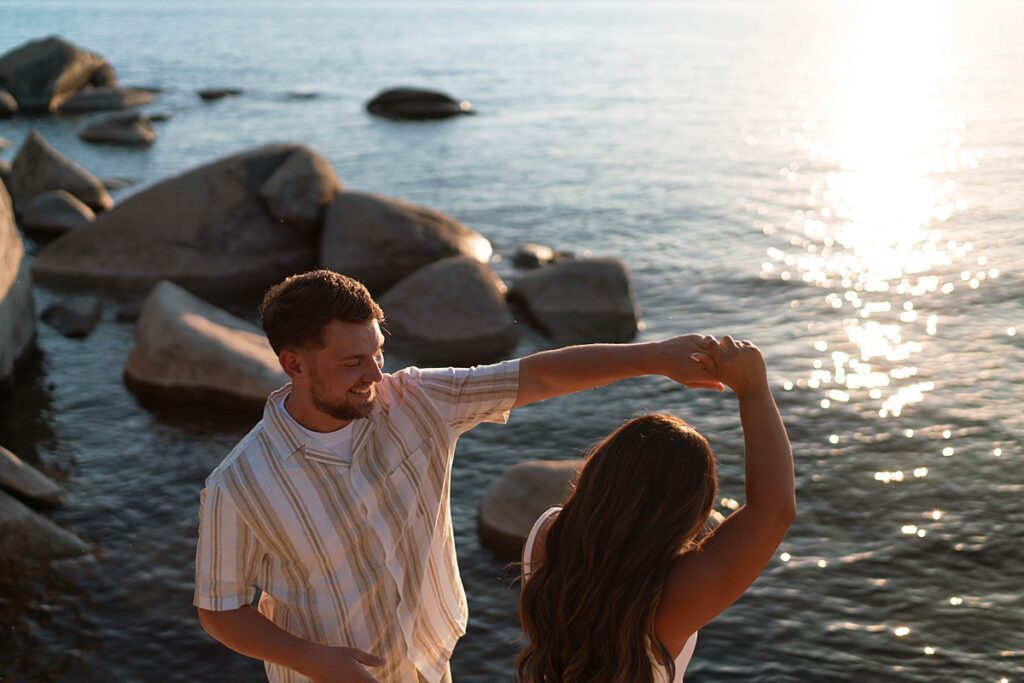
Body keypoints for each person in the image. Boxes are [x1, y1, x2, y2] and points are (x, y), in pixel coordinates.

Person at [193, 269, 725, 683]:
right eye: (352, 362)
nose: (375, 375)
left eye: (379, 352)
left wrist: (654, 357)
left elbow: (538, 375)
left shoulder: (419, 401)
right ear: (294, 364)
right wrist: (311, 658)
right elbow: (220, 608)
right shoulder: (239, 484)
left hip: (430, 666)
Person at [517, 336, 796, 683]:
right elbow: (774, 509)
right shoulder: (668, 602)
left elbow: (773, 509)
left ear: (601, 472)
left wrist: (752, 391)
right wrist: (754, 390)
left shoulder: (548, 536)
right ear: (687, 513)